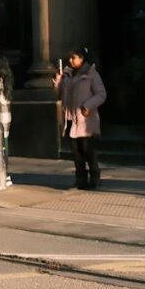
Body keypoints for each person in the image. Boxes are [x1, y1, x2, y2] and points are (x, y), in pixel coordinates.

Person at [54, 47, 106, 190]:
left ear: (82, 59)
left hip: (85, 120)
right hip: (70, 120)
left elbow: (101, 94)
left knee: (88, 151)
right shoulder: (67, 75)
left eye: (74, 58)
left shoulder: (91, 74)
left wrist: (87, 105)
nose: (70, 60)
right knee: (76, 153)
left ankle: (95, 178)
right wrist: (58, 81)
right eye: (69, 58)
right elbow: (59, 94)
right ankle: (81, 179)